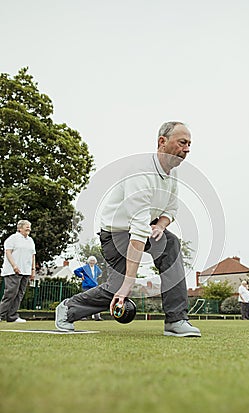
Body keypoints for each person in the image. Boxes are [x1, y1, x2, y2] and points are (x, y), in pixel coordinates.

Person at [55, 121, 201, 337]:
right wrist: (128, 284)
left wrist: (161, 226)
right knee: (119, 286)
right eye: (182, 142)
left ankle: (176, 320)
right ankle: (68, 308)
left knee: (171, 243)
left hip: (146, 227)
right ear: (162, 141)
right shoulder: (141, 172)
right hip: (116, 233)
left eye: (189, 144)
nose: (187, 149)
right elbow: (138, 229)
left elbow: (171, 208)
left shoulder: (171, 172)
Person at [0, 220, 36, 323]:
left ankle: (12, 316)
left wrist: (33, 270)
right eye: (27, 226)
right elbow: (8, 252)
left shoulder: (30, 240)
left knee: (19, 294)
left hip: (25, 271)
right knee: (10, 293)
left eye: (29, 226)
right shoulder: (12, 239)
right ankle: (1, 314)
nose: (29, 228)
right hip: (13, 271)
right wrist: (14, 266)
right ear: (20, 228)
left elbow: (33, 256)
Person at [74, 256, 103, 320]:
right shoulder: (85, 267)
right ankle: (83, 316)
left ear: (95, 262)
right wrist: (81, 276)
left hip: (94, 286)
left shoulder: (96, 268)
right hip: (86, 286)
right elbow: (76, 271)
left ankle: (97, 316)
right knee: (85, 301)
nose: (92, 262)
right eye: (91, 261)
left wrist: (96, 278)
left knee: (96, 301)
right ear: (89, 261)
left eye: (93, 261)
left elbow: (100, 273)